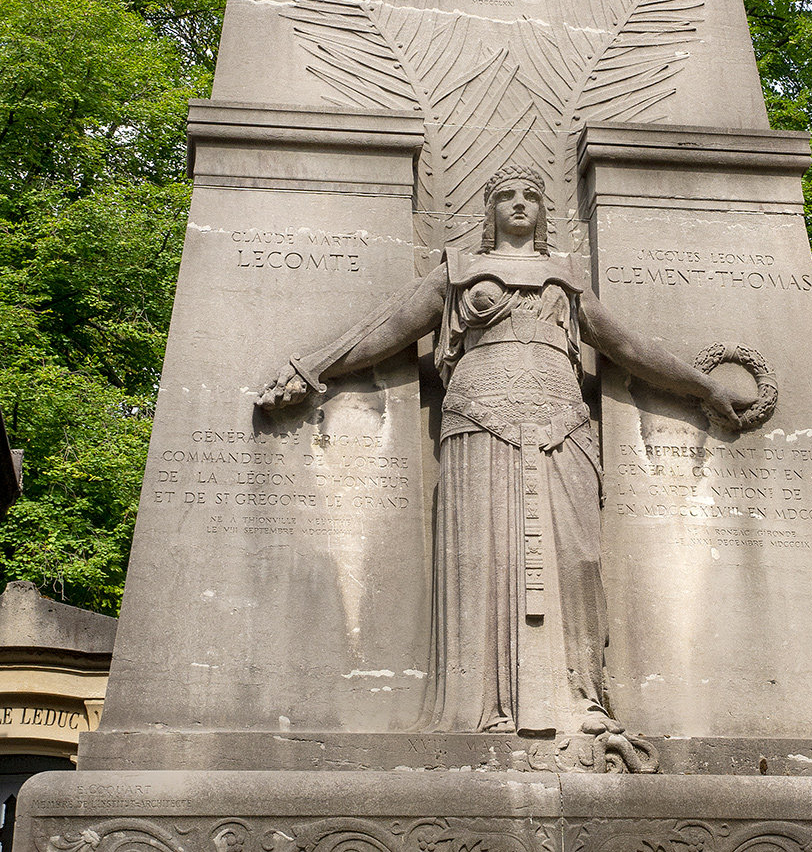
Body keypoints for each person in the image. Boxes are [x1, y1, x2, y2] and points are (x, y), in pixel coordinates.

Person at [257, 163, 754, 737]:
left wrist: (705, 385)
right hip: (478, 420)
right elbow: (386, 331)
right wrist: (314, 367)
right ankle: (479, 707)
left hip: (562, 421)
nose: (519, 204)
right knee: (482, 555)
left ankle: (578, 699)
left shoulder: (565, 280)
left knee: (577, 558)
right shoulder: (459, 272)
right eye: (505, 196)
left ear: (544, 212)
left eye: (530, 196)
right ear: (488, 213)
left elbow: (629, 346)